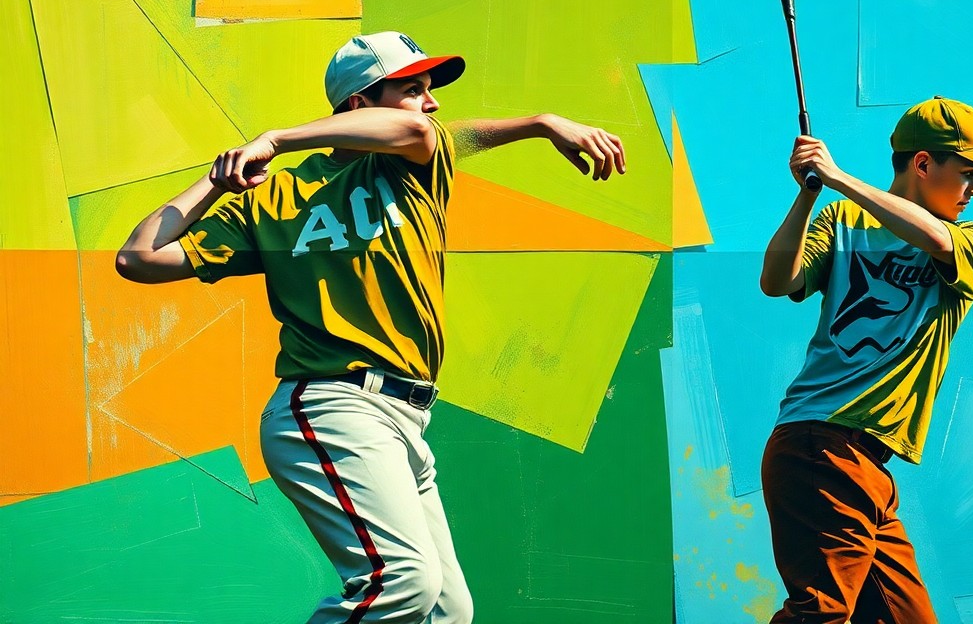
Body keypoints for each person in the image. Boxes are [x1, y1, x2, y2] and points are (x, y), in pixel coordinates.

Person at [115, 31, 627, 624]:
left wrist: (542, 123)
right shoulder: (273, 198)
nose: (430, 103)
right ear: (359, 103)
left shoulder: (414, 164)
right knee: (403, 582)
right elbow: (140, 259)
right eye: (412, 89)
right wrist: (218, 178)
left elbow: (417, 132)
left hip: (407, 417)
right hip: (331, 403)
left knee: (446, 611)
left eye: (428, 89)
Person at [758, 96, 973, 623]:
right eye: (969, 173)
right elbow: (777, 282)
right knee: (822, 613)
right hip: (822, 442)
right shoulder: (841, 217)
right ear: (923, 164)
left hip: (868, 466)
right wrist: (809, 195)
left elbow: (928, 236)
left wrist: (837, 176)